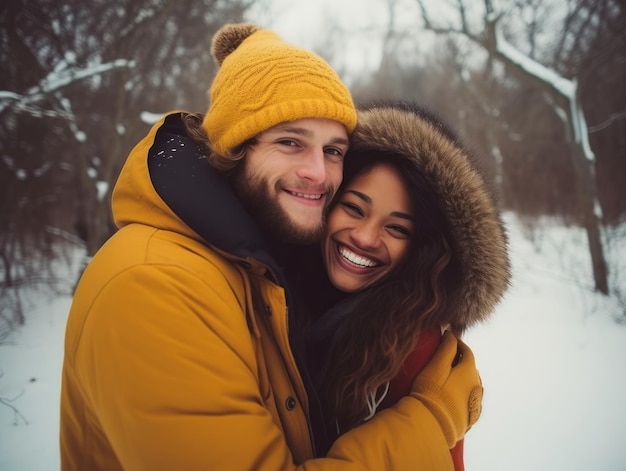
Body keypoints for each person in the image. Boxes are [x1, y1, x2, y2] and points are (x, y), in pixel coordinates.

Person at [60, 23, 483, 470]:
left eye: (334, 150)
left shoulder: (263, 269)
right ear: (233, 146)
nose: (319, 174)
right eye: (290, 142)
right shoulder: (153, 283)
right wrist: (431, 419)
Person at [292, 102, 511, 469]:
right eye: (354, 208)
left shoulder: (415, 354)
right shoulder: (281, 292)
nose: (364, 237)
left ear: (418, 249)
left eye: (396, 228)